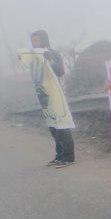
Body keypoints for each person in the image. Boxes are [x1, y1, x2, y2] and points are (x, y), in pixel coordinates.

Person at [30, 30, 75, 167]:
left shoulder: (51, 53)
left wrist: (50, 60)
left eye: (36, 40)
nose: (34, 43)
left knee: (61, 125)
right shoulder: (35, 55)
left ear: (43, 40)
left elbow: (60, 72)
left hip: (56, 94)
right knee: (53, 126)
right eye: (32, 41)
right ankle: (59, 155)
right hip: (44, 94)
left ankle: (68, 157)